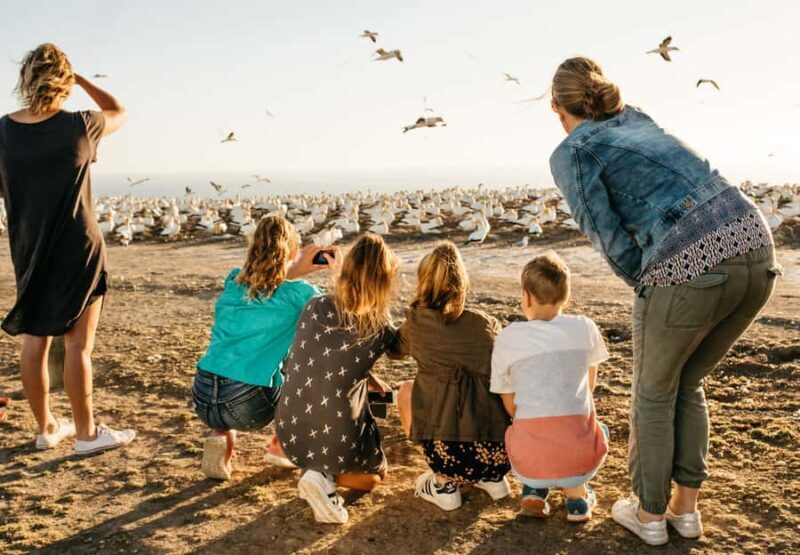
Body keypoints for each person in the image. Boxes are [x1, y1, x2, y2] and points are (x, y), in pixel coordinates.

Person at [548, 57, 781, 544]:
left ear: (556, 106)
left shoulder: (573, 150)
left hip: (689, 260)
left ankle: (650, 515)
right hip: (755, 244)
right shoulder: (637, 118)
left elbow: (605, 233)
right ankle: (686, 511)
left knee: (653, 392)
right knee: (687, 380)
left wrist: (650, 285)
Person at [0, 44, 135, 454]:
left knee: (35, 340)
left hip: (30, 246)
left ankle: (45, 429)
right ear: (63, 82)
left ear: (26, 78)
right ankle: (87, 434)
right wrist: (80, 79)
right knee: (79, 345)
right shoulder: (81, 124)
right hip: (79, 246)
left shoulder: (3, 131)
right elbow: (120, 111)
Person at [191, 216, 334, 480]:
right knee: (304, 364)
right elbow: (338, 316)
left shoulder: (233, 280)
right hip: (247, 402)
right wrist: (335, 271)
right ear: (293, 252)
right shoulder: (301, 293)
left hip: (203, 395)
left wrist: (292, 268)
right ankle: (282, 446)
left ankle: (219, 435)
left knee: (238, 381)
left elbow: (265, 285)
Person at [276, 233, 398, 525]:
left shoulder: (314, 305)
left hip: (290, 429)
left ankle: (316, 471)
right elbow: (392, 348)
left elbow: (326, 353)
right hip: (335, 434)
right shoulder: (380, 327)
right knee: (373, 478)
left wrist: (367, 376)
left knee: (332, 399)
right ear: (384, 281)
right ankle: (323, 478)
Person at [388, 241, 511, 511]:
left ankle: (444, 482)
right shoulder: (485, 323)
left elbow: (393, 351)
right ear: (462, 284)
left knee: (407, 389)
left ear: (424, 282)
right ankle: (492, 479)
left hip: (450, 455)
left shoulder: (417, 322)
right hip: (497, 452)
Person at [491, 253, 609, 522]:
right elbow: (588, 387)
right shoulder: (585, 327)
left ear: (526, 297)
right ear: (567, 298)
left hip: (530, 456)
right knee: (594, 427)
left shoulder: (508, 336)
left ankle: (534, 490)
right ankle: (577, 497)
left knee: (525, 425)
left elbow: (509, 405)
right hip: (579, 454)